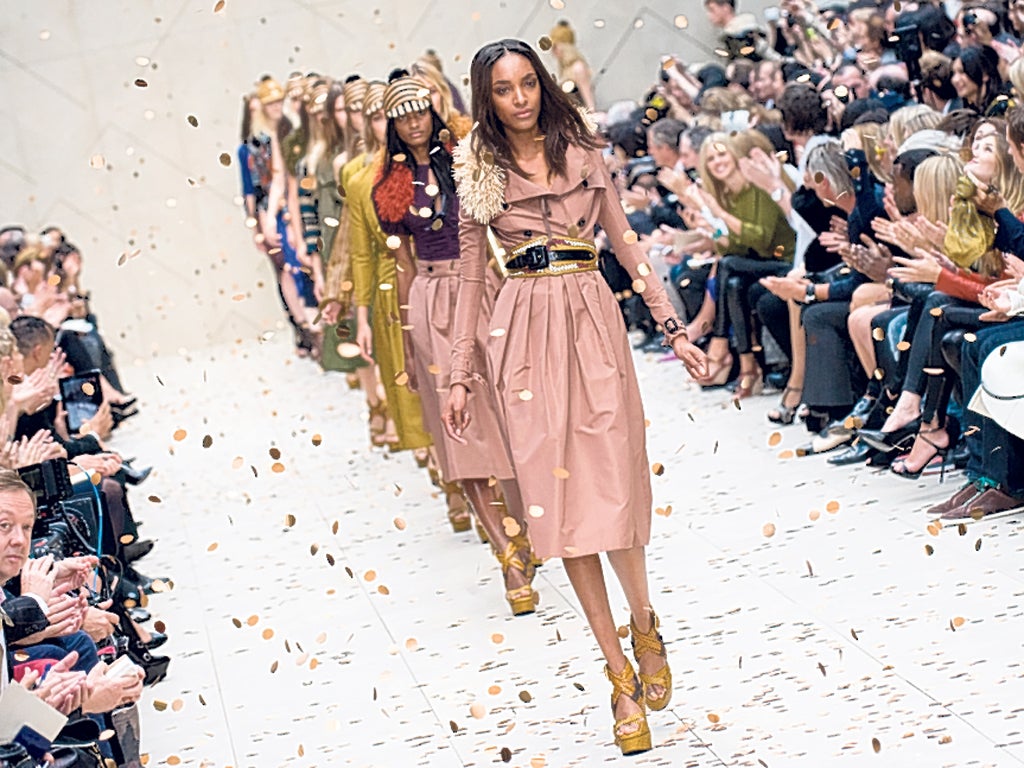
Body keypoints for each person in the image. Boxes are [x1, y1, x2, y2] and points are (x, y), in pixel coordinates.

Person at [443, 38, 706, 756]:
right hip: (522, 329)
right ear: (486, 98)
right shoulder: (477, 169)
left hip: (593, 319)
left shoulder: (584, 147)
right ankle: (616, 674)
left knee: (614, 487)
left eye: (528, 82)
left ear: (544, 84)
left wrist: (673, 327)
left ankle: (643, 620)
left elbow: (625, 243)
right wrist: (460, 372)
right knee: (558, 507)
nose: (520, 97)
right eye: (504, 89)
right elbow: (471, 276)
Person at [372, 75, 536, 614]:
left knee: (508, 414)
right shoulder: (389, 186)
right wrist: (402, 341)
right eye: (404, 115)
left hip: (484, 286)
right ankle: (507, 555)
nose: (415, 122)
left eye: (421, 111)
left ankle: (525, 531)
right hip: (430, 296)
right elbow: (399, 266)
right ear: (392, 125)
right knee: (457, 426)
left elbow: (500, 232)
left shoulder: (466, 159)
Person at [548, 20, 596, 111]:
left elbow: (588, 99)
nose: (553, 52)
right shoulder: (565, 70)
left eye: (555, 47)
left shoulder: (578, 68)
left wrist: (592, 115)